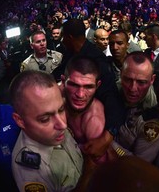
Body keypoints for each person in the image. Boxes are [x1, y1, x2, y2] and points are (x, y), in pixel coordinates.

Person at [52, 18, 126, 160]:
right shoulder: (70, 53)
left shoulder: (98, 61)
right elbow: (57, 73)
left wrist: (107, 136)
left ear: (69, 37)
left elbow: (112, 98)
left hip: (92, 125)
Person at [10, 70, 83, 192]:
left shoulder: (55, 129)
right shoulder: (31, 171)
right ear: (20, 121)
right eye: (45, 119)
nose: (63, 125)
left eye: (61, 109)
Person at [61, 56, 108, 163]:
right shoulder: (53, 96)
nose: (80, 94)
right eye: (74, 85)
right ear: (63, 82)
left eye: (88, 87)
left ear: (97, 86)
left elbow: (99, 167)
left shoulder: (94, 119)